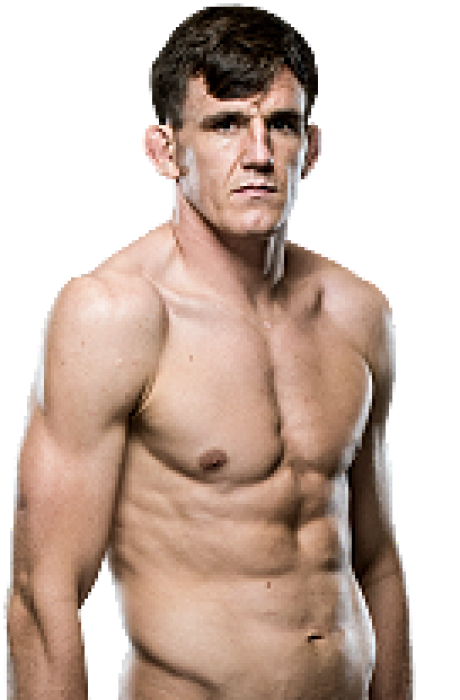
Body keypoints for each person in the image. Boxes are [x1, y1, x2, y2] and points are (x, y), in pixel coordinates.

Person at [7, 5, 410, 699]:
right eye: (225, 124)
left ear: (311, 147)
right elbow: (45, 596)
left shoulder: (353, 311)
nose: (259, 153)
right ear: (164, 151)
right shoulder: (116, 315)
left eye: (281, 124)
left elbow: (375, 561)